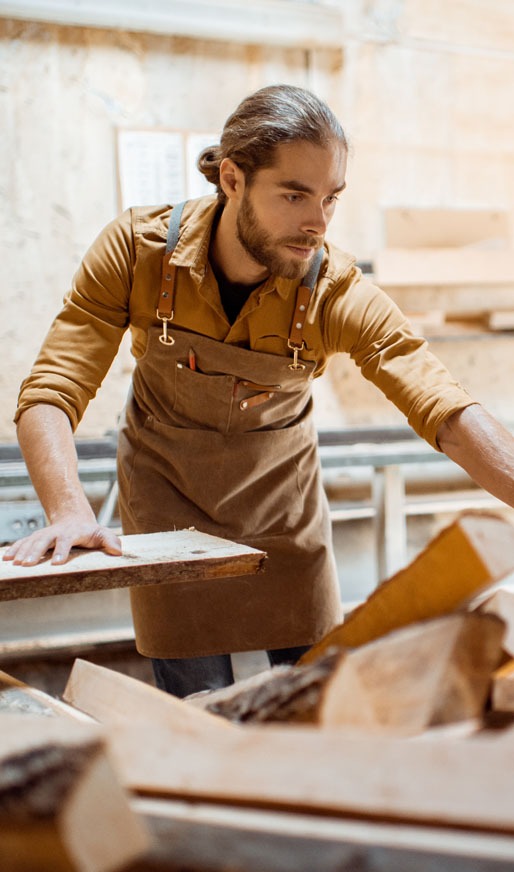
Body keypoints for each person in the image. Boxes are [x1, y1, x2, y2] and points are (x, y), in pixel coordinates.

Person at [4, 85, 514, 698]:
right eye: (295, 195)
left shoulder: (333, 291)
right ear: (233, 178)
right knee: (196, 709)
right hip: (169, 520)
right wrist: (69, 510)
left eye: (330, 198)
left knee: (312, 704)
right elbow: (51, 390)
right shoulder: (137, 255)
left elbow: (443, 404)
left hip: (284, 521)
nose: (317, 222)